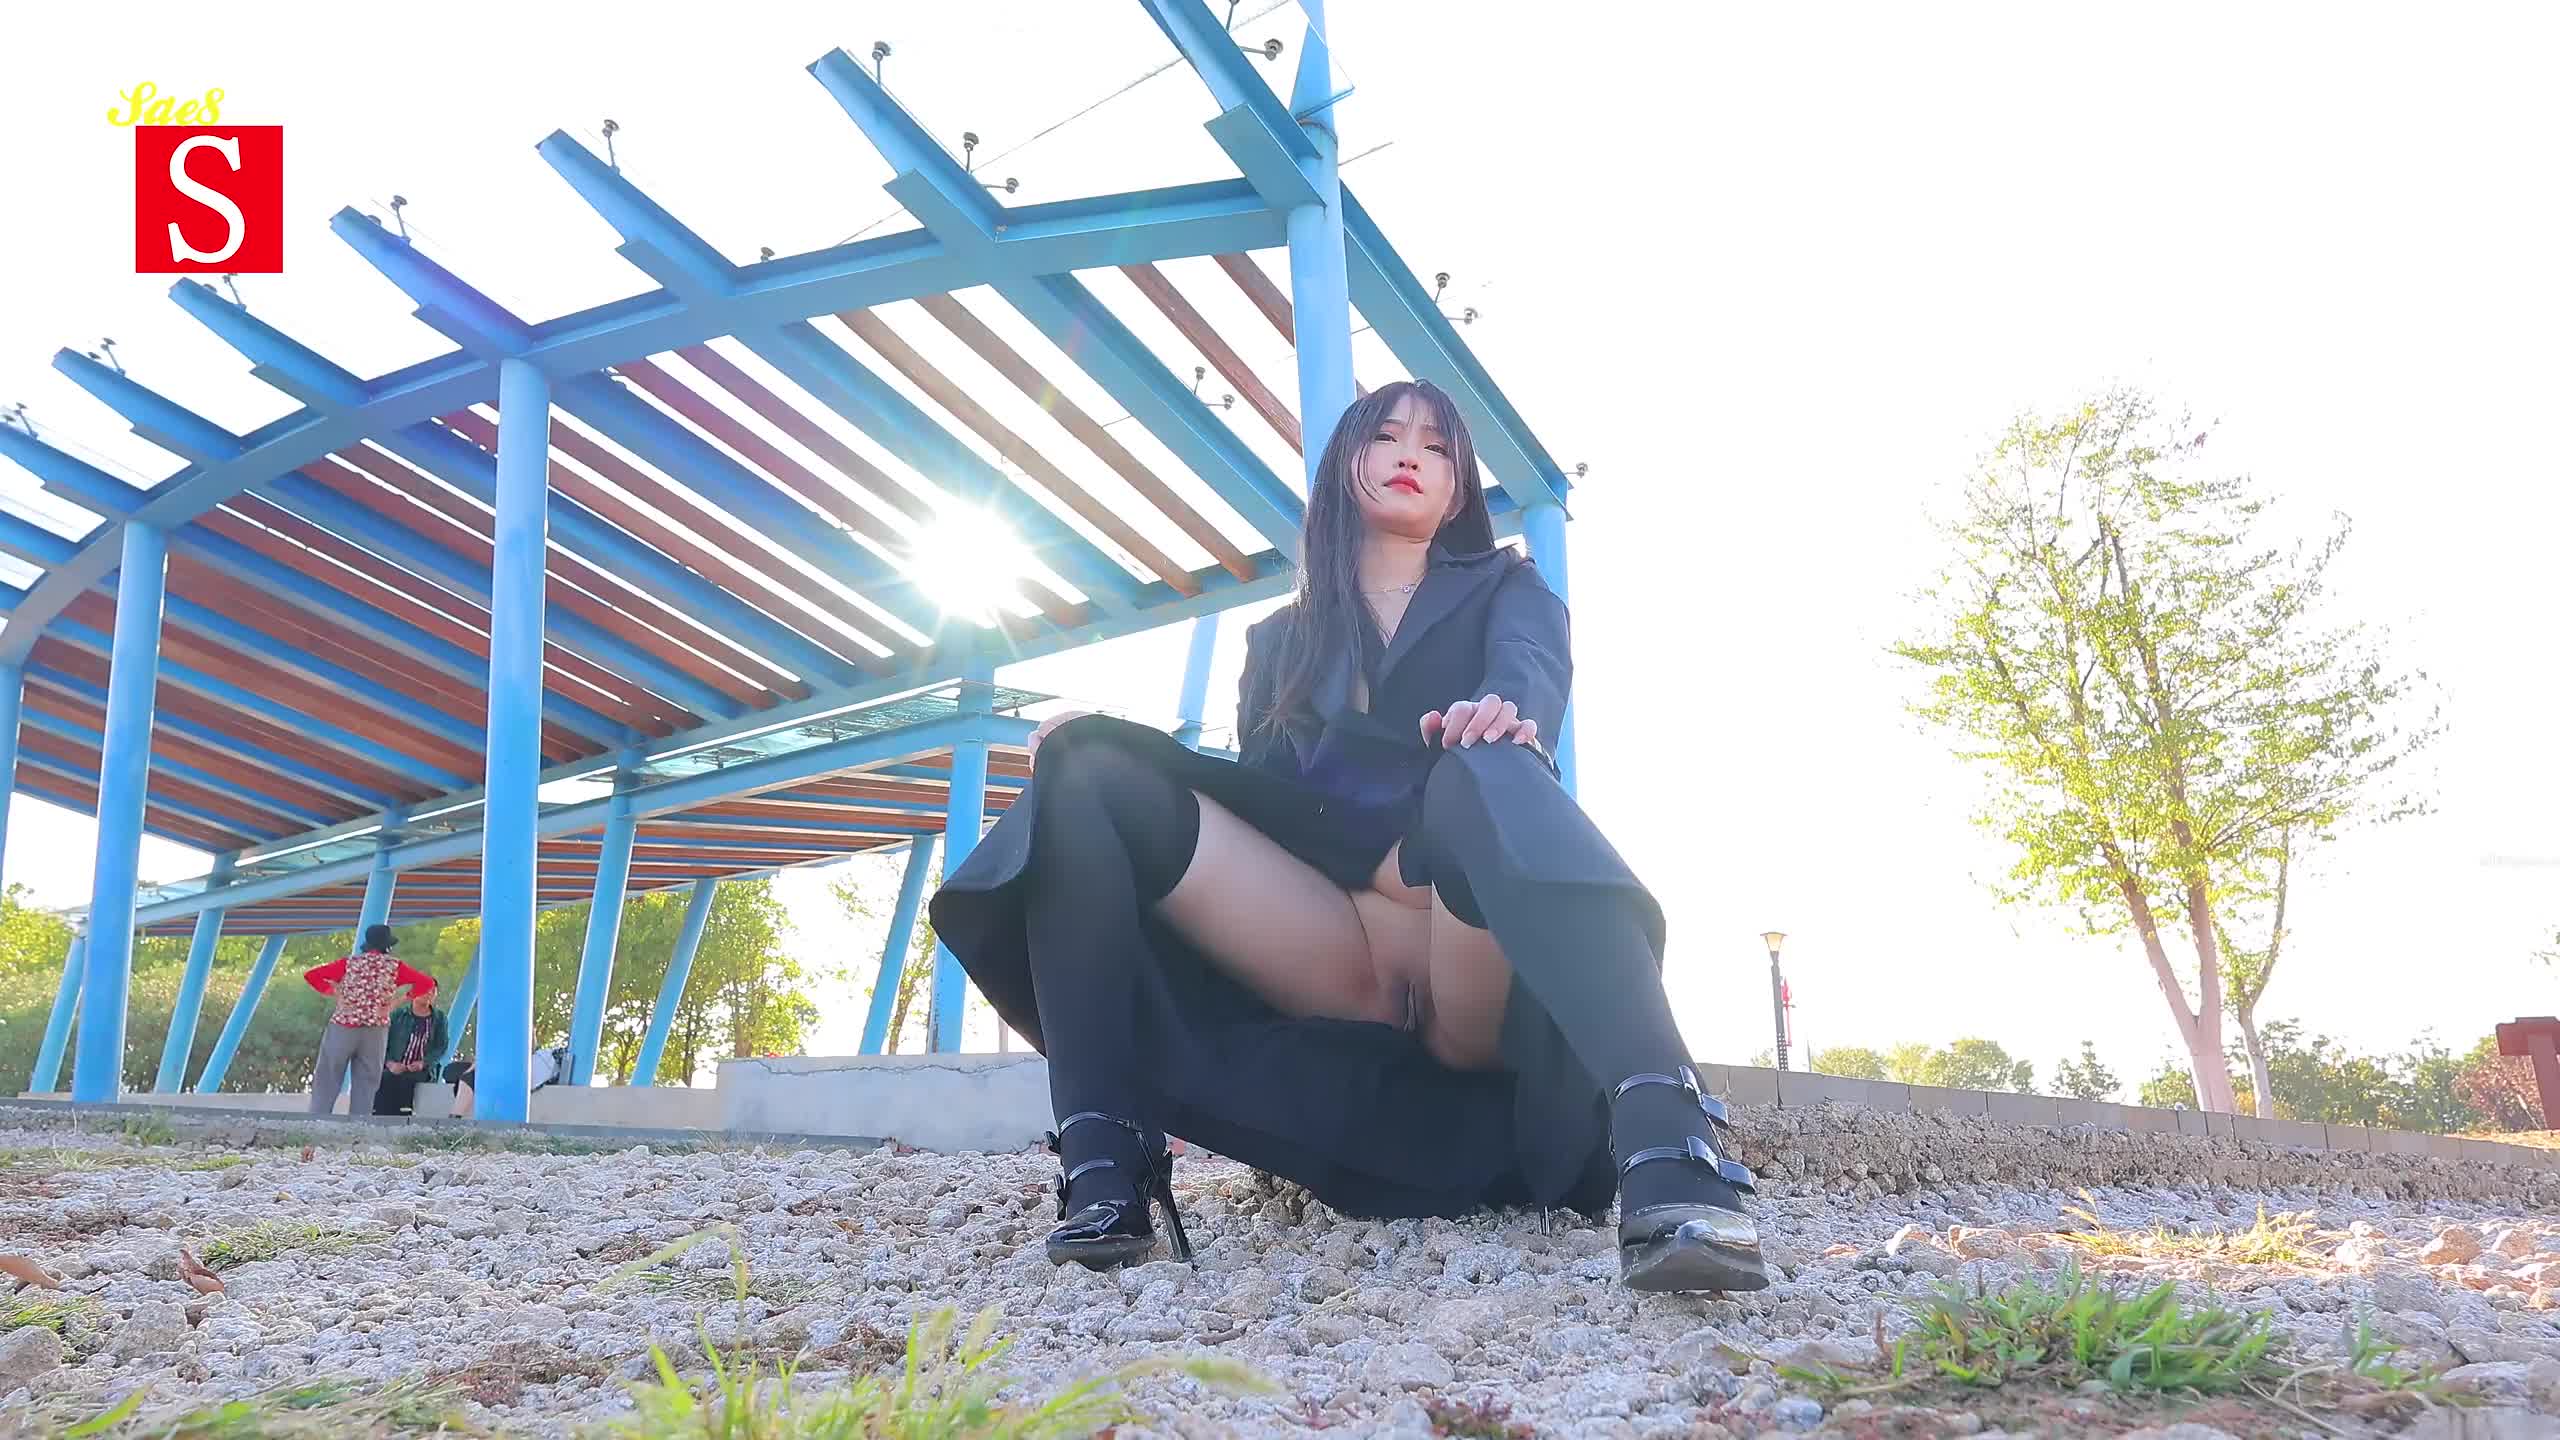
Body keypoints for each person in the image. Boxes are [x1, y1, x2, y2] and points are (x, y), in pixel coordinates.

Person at [928, 380, 1767, 1294]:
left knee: (1480, 765)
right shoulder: (1277, 642)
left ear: (1458, 489)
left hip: (1465, 947)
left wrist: (1503, 713)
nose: (1412, 454)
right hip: (1333, 949)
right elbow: (1257, 800)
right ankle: (1105, 1159)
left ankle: (1669, 1136)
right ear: (1345, 464)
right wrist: (1100, 746)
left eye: (1438, 448)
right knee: (1089, 771)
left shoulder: (1508, 588)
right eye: (1388, 436)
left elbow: (1528, 673)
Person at [302, 924, 436, 1117]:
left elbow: (312, 975)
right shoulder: (395, 966)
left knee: (329, 1074)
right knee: (367, 1080)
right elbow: (427, 982)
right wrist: (398, 1001)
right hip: (376, 1029)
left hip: (344, 1026)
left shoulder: (348, 964)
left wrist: (335, 993)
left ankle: (317, 1118)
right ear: (387, 946)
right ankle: (359, 1122)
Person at [371, 979, 448, 1117]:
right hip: (394, 1066)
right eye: (425, 989)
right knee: (385, 1079)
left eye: (433, 991)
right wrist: (390, 1063)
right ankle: (379, 1119)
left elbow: (441, 1047)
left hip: (421, 1070)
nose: (429, 993)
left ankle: (404, 1118)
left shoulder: (439, 1019)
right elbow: (381, 1042)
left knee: (407, 1081)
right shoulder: (398, 1015)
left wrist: (423, 1063)